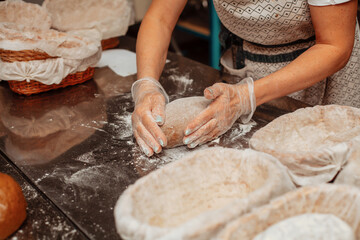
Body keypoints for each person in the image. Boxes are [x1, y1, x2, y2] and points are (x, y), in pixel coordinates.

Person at [131, 0, 360, 157]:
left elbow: (334, 45)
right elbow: (160, 18)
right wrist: (146, 85)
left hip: (319, 68)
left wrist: (246, 96)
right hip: (246, 63)